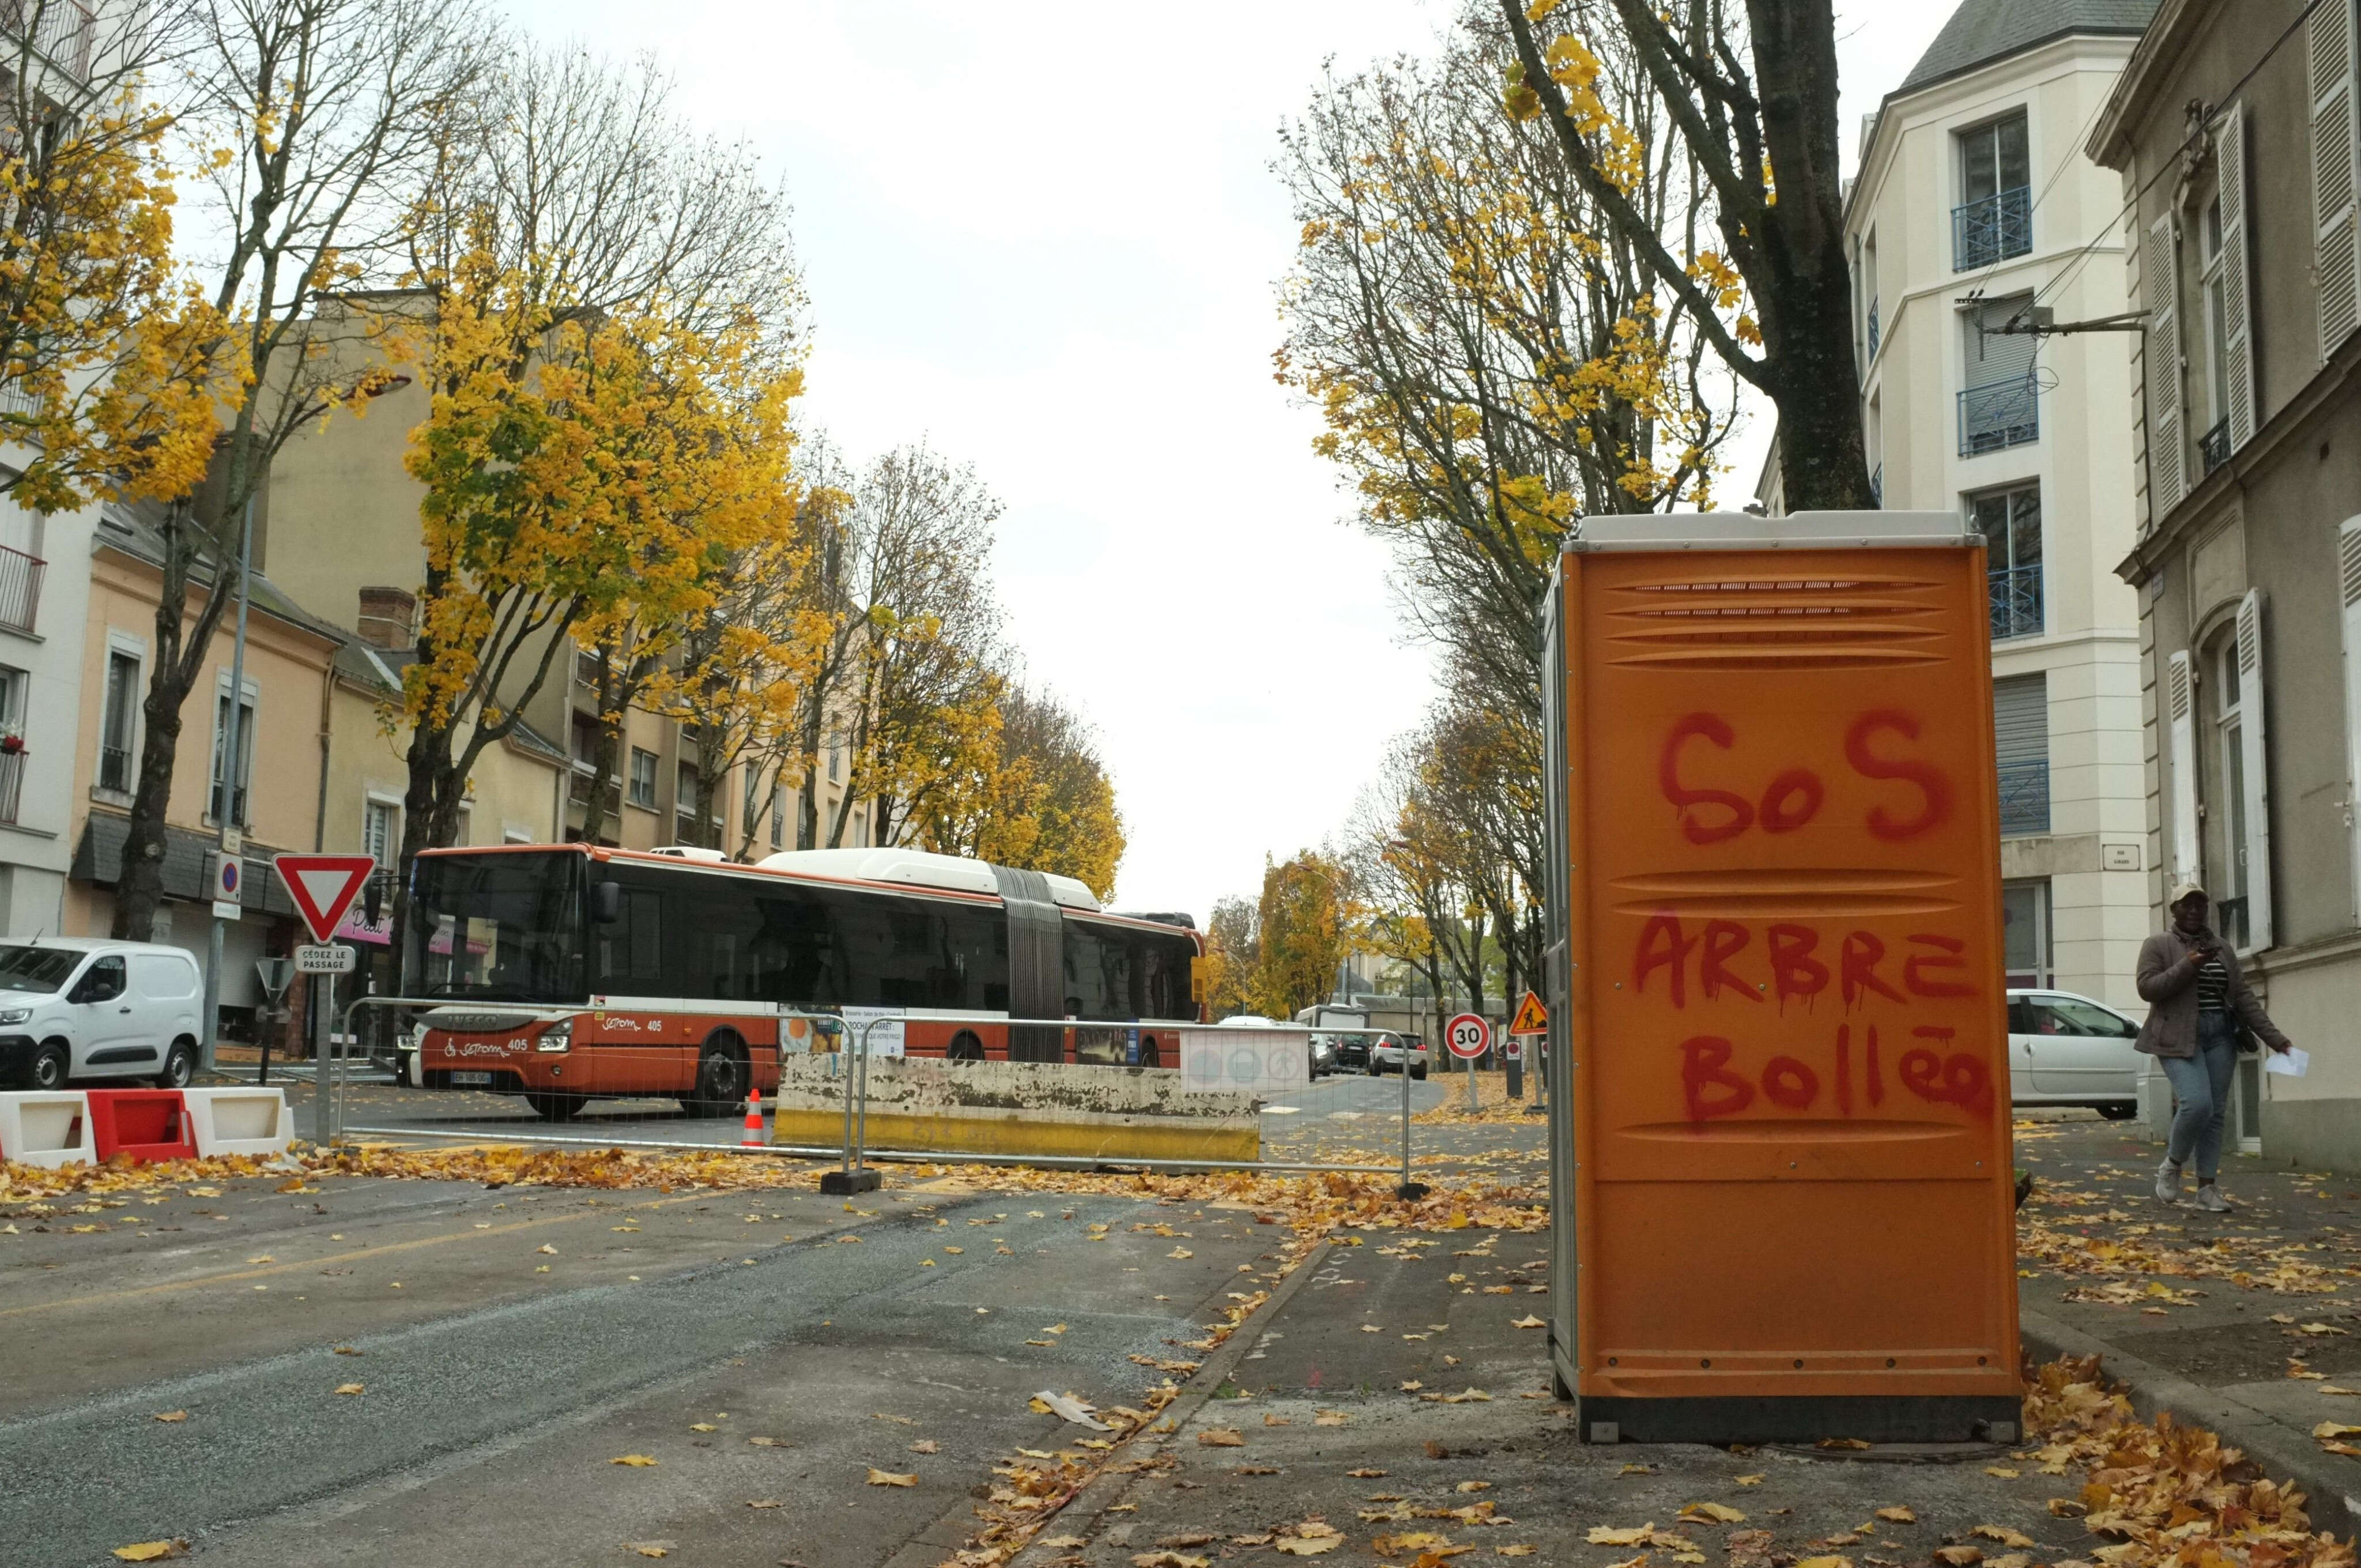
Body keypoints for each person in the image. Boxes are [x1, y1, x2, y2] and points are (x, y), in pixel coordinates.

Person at [2135, 883, 2293, 1210]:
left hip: (2220, 1035)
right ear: (2174, 910)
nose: (2194, 911)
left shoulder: (2222, 947)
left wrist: (2277, 1040)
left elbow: (2244, 997)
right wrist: (2188, 965)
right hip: (2176, 1037)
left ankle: (2207, 1189)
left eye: (2200, 905)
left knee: (2216, 1113)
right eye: (2186, 905)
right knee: (2197, 1103)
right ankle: (2172, 1165)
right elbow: (2148, 988)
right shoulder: (2158, 944)